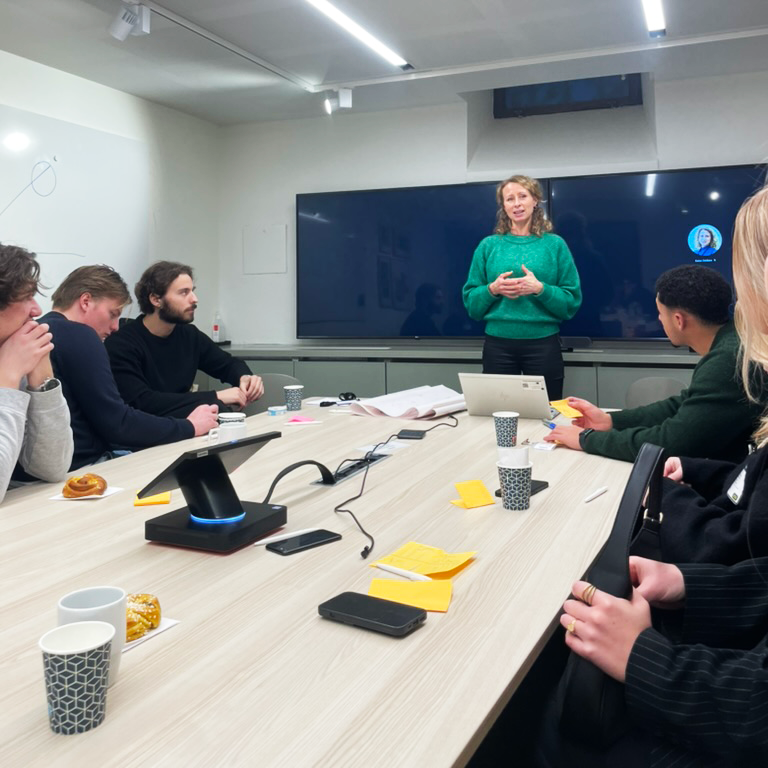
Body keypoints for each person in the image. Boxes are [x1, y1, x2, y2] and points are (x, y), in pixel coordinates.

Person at [540, 186, 768, 767]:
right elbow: (676, 416)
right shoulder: (727, 354)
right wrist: (693, 587)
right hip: (718, 632)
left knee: (555, 721)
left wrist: (642, 656)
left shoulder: (736, 357)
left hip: (717, 707)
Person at [545, 265, 762, 463]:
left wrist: (587, 440)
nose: (659, 320)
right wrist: (610, 421)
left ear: (679, 320)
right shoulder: (732, 340)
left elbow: (673, 442)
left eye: (660, 313)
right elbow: (683, 405)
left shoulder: (728, 360)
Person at [41, 265, 219, 469]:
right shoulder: (81, 335)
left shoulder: (40, 331)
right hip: (84, 467)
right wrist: (189, 426)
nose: (116, 327)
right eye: (113, 313)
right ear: (86, 301)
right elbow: (119, 424)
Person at [462, 174, 581, 400]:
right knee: (498, 415)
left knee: (548, 414)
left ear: (535, 200)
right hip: (498, 347)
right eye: (509, 199)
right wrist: (493, 290)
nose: (516, 204)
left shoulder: (554, 244)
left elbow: (571, 302)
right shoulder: (488, 246)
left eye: (522, 196)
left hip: (543, 345)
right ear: (503, 206)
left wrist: (540, 289)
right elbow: (471, 304)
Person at [105, 261, 263, 418]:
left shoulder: (189, 335)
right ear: (155, 299)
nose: (194, 299)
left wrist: (245, 378)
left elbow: (228, 364)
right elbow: (143, 402)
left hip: (187, 426)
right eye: (184, 292)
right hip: (147, 435)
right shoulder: (122, 344)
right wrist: (216, 396)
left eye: (192, 291)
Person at [0, 244, 73, 502]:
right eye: (27, 297)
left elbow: (52, 468)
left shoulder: (11, 352)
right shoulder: (9, 364)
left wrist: (42, 378)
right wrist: (7, 377)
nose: (37, 310)